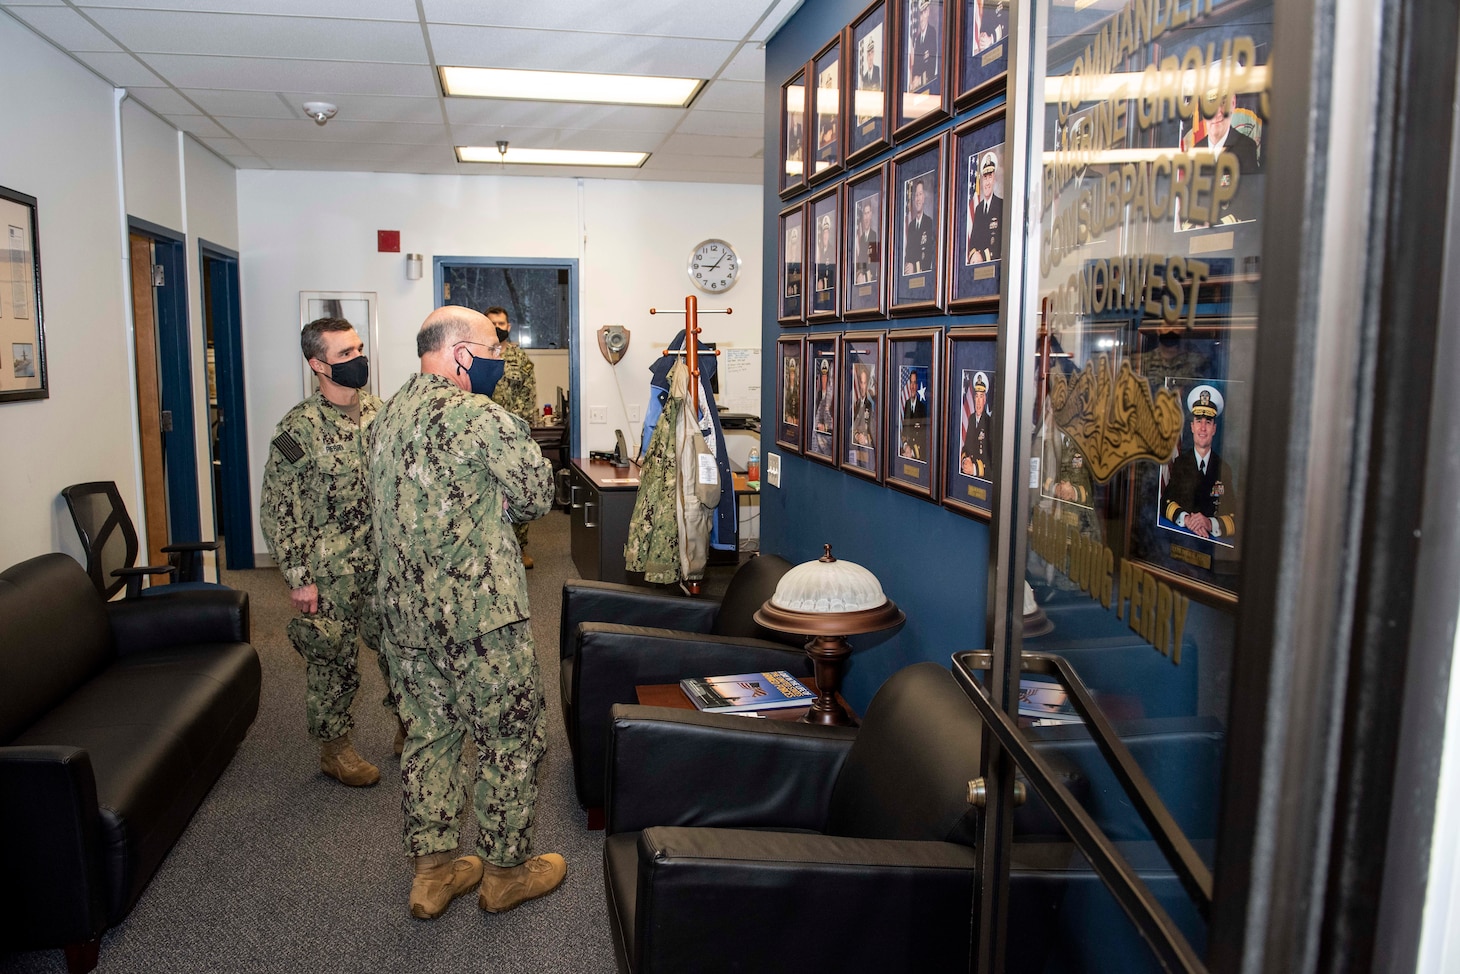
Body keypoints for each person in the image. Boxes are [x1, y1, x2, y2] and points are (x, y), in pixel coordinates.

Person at [369, 306, 564, 921]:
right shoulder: (485, 419)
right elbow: (537, 495)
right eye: (492, 351)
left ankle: (432, 874)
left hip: (404, 616)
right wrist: (496, 504)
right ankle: (505, 873)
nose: (499, 362)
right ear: (460, 355)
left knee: (429, 733)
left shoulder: (383, 416)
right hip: (482, 619)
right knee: (510, 736)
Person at [260, 316, 394, 788]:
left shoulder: (384, 414)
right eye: (344, 354)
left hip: (386, 564)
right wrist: (299, 578)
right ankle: (335, 749)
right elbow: (278, 509)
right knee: (333, 658)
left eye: (359, 349)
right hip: (330, 570)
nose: (358, 360)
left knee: (401, 649)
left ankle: (407, 727)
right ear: (318, 364)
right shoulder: (298, 429)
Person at [484, 305, 539, 569]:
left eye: (502, 323)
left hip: (513, 435)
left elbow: (529, 396)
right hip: (483, 435)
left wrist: (524, 433)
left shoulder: (520, 358)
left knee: (518, 490)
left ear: (509, 326)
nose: (498, 327)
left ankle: (520, 547)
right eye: (492, 322)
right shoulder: (479, 356)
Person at [1161, 384, 1237, 540]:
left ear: (1214, 429)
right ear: (1192, 427)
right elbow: (1165, 503)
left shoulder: (1224, 469)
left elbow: (1234, 517)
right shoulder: (1180, 464)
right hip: (1180, 539)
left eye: (1208, 422)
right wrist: (1187, 520)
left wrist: (1209, 523)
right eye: (1198, 421)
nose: (1203, 428)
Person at [967, 150, 1004, 264]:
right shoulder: (978, 209)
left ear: (994, 180)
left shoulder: (1001, 205)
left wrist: (982, 255)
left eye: (990, 177)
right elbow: (972, 242)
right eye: (985, 178)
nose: (987, 182)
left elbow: (1000, 242)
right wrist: (974, 255)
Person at [960, 370, 995, 479]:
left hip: (982, 479)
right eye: (977, 396)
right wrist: (965, 460)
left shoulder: (989, 423)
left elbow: (992, 464)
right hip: (969, 476)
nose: (978, 401)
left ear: (985, 400)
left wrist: (974, 469)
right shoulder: (970, 419)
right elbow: (965, 448)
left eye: (981, 397)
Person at [904, 177, 934, 274]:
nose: (917, 199)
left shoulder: (929, 223)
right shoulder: (911, 226)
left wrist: (915, 268)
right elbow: (908, 254)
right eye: (916, 195)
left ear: (924, 197)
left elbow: (929, 254)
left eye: (920, 194)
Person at [908, 0, 939, 92]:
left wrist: (920, 79)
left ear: (928, 12)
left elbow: (932, 66)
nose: (921, 18)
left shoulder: (932, 33)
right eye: (919, 14)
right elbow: (916, 68)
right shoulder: (917, 41)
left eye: (923, 13)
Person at [898, 367, 927, 460]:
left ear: (917, 386)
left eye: (915, 383)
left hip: (918, 456)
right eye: (911, 382)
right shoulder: (907, 404)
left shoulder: (923, 407)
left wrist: (913, 452)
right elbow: (905, 431)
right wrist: (906, 445)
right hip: (907, 452)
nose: (912, 387)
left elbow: (924, 437)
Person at [849, 361, 876, 457]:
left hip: (869, 452)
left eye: (865, 383)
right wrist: (856, 436)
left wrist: (866, 439)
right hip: (857, 450)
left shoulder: (872, 405)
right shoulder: (857, 403)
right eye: (861, 383)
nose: (862, 387)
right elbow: (852, 427)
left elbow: (875, 434)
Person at [854, 197, 880, 284]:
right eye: (864, 214)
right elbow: (861, 259)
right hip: (862, 278)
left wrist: (865, 276)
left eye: (868, 213)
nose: (866, 217)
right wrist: (859, 274)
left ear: (871, 214)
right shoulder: (861, 239)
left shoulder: (874, 235)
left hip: (870, 278)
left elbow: (873, 263)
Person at [812, 357, 835, 455]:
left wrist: (825, 427)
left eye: (827, 377)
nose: (824, 380)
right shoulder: (817, 397)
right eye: (822, 377)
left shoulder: (832, 399)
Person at [784, 357, 800, 426]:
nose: (792, 376)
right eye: (791, 373)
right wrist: (787, 416)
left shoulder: (799, 389)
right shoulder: (785, 388)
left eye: (793, 373)